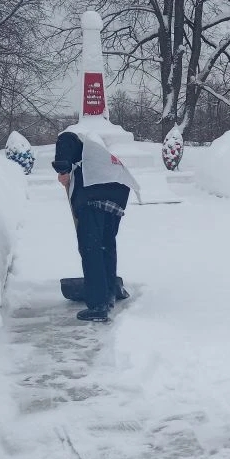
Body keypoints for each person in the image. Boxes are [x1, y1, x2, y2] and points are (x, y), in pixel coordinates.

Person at [52, 130, 139, 322]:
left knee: (90, 249)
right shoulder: (95, 153)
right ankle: (109, 291)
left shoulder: (73, 140)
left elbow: (65, 140)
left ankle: (98, 305)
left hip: (95, 195)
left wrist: (63, 170)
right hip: (118, 193)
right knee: (105, 245)